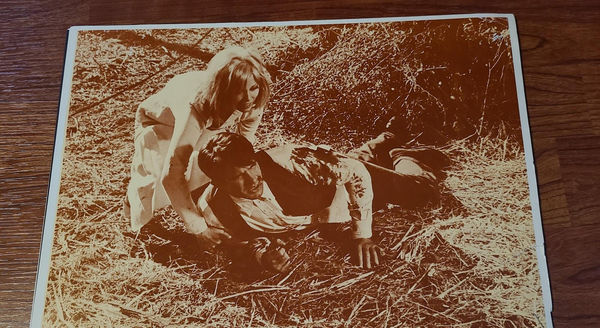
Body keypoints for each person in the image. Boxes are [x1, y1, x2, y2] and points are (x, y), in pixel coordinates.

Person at [193, 130, 450, 271]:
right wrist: (262, 257)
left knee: (424, 193)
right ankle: (380, 143)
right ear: (218, 184)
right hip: (323, 192)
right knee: (342, 165)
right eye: (237, 177)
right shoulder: (212, 211)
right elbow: (233, 245)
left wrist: (362, 234)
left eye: (251, 166)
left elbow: (355, 174)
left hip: (342, 190)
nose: (251, 179)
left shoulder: (292, 162)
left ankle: (402, 154)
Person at [123, 46, 272, 248]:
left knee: (211, 166)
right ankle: (132, 202)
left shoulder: (254, 99)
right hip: (161, 124)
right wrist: (198, 228)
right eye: (238, 90)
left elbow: (242, 148)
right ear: (225, 89)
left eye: (252, 88)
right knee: (158, 187)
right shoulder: (196, 105)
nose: (247, 98)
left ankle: (197, 199)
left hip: (212, 121)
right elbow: (172, 172)